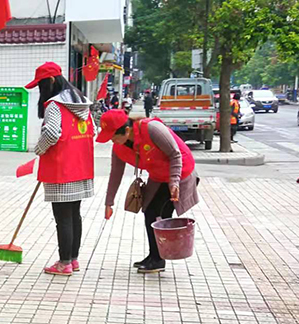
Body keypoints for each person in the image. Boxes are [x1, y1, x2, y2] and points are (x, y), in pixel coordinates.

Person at [98, 109, 200, 274]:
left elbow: (175, 154)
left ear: (127, 130)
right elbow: (115, 173)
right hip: (158, 177)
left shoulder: (151, 128)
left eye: (114, 136)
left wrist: (174, 183)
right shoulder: (119, 147)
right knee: (150, 211)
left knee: (160, 214)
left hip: (179, 172)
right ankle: (155, 256)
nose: (112, 141)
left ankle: (159, 259)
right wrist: (109, 202)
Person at [27, 62, 95, 276]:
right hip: (81, 167)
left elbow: (52, 133)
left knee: (63, 218)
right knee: (74, 214)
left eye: (41, 85)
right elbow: (92, 132)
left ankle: (64, 263)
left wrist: (39, 149)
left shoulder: (55, 105)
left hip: (61, 170)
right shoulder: (81, 102)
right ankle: (73, 259)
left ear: (52, 81)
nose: (41, 90)